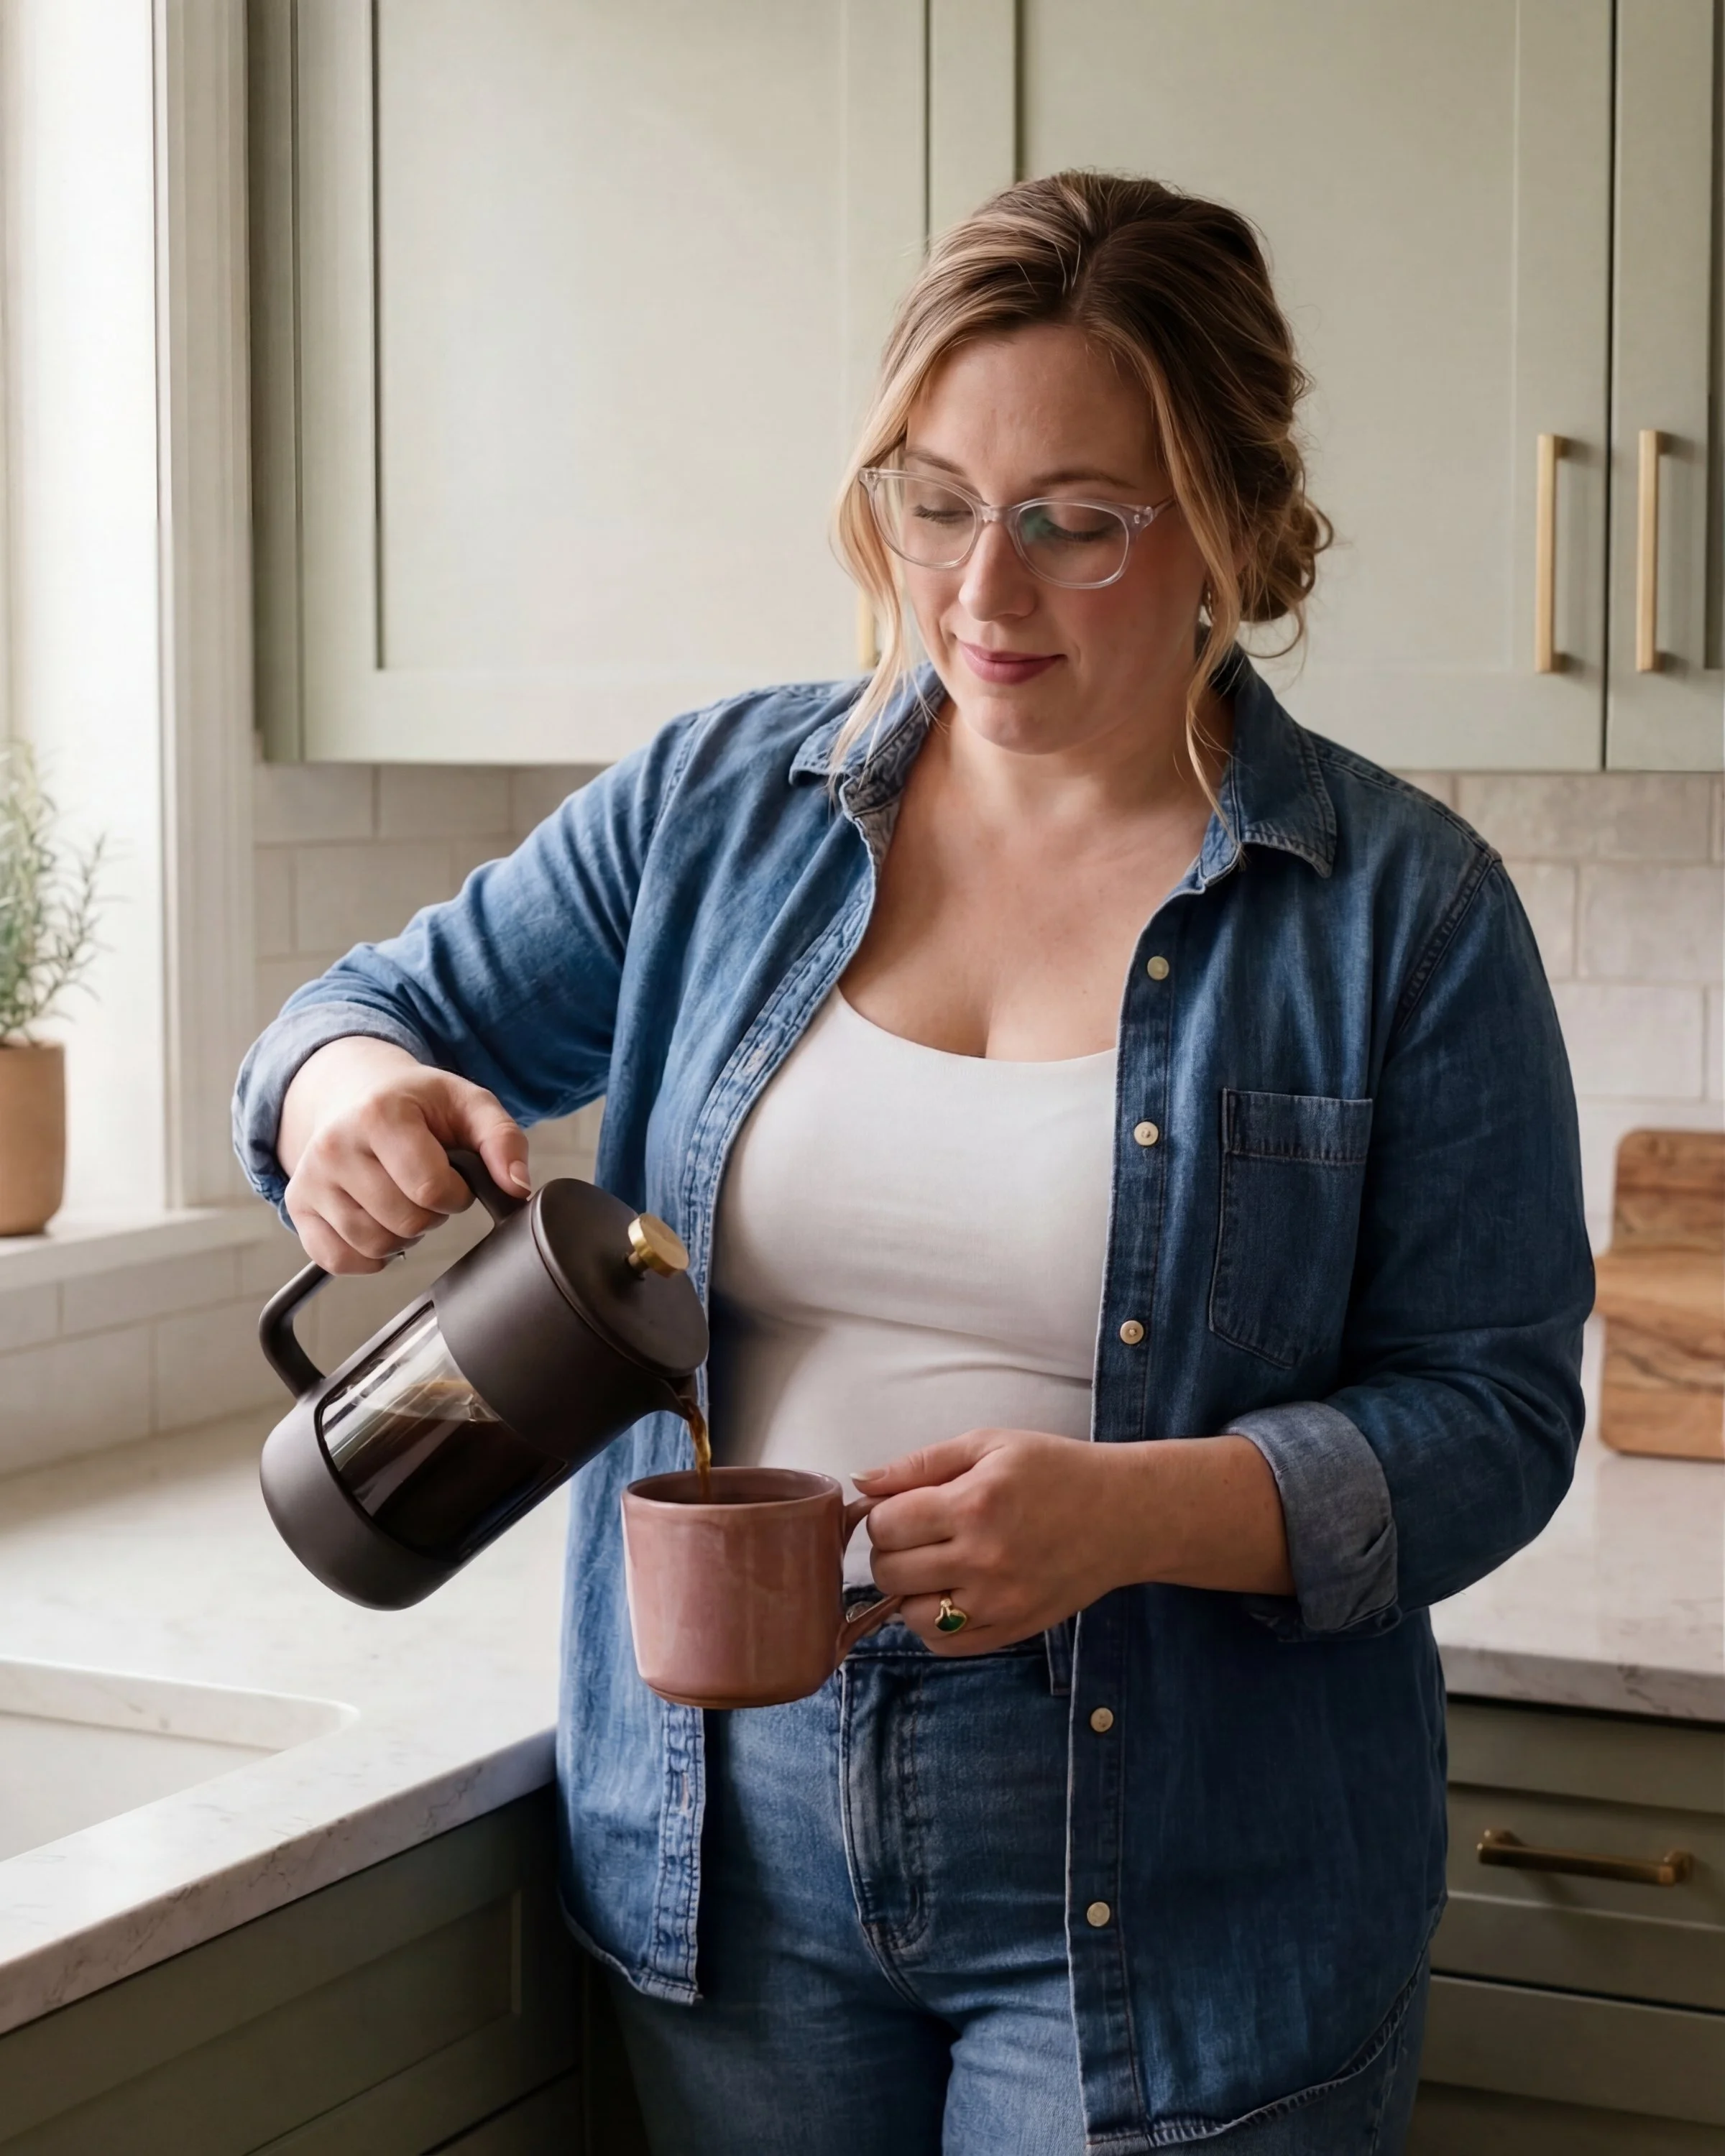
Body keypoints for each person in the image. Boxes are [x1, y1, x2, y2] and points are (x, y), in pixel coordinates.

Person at [234, 172, 1591, 2154]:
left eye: (1076, 522)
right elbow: (356, 1012)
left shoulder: (1402, 914)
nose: (982, 593)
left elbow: (1498, 1420)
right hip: (724, 1853)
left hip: (1191, 1882)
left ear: (1228, 520)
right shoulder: (723, 808)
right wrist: (339, 1093)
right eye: (936, 502)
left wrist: (1142, 1513)